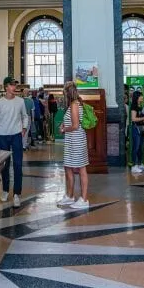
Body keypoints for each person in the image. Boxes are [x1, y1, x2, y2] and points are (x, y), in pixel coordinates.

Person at [0, 77, 30, 207]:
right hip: (2, 137)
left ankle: (17, 193)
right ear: (6, 87)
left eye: (15, 85)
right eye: (12, 85)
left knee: (18, 164)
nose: (14, 88)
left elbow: (25, 116)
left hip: (16, 136)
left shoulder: (20, 101)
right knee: (5, 165)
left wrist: (24, 128)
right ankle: (5, 190)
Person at [57, 81, 90, 209]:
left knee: (81, 169)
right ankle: (70, 196)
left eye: (64, 92)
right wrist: (64, 125)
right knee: (68, 167)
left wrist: (64, 129)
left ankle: (84, 199)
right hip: (72, 140)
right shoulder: (74, 104)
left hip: (76, 140)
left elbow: (76, 126)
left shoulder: (74, 104)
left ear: (68, 93)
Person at [129, 91, 144, 174]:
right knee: (136, 147)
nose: (142, 98)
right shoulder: (134, 106)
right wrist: (142, 119)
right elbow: (133, 119)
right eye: (141, 96)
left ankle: (140, 164)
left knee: (140, 147)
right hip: (136, 129)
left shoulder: (140, 106)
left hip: (141, 129)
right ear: (137, 97)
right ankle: (134, 165)